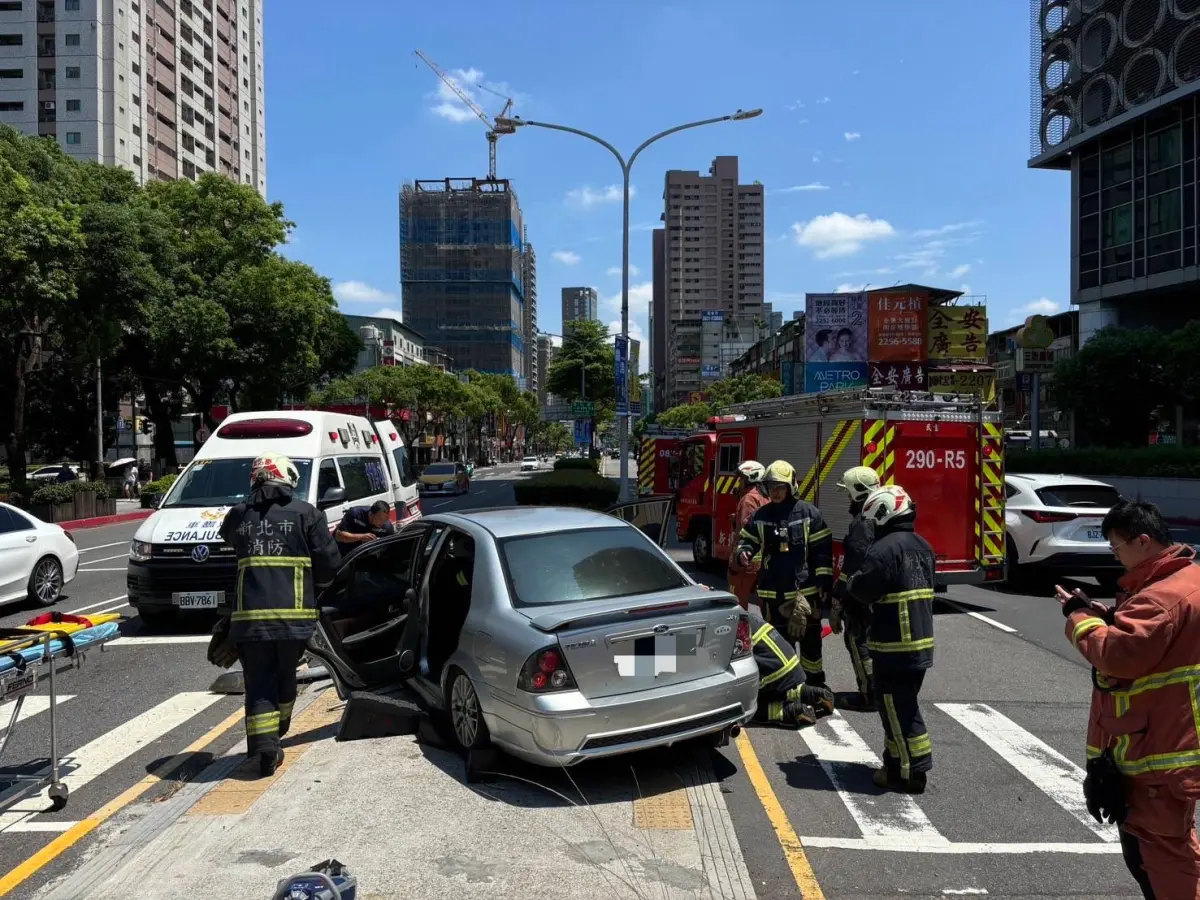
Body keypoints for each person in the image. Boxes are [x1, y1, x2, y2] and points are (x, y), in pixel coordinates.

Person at [1058, 500, 1200, 900]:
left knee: (1161, 858)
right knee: (1162, 852)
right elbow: (1151, 642)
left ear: (1142, 540)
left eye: (1116, 547)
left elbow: (1118, 657)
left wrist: (1078, 618)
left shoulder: (1160, 598)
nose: (1115, 557)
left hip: (1156, 756)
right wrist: (1105, 616)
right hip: (1171, 746)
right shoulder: (1186, 582)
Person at [219, 451, 340, 777]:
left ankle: (263, 752)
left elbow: (229, 541)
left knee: (259, 684)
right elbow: (329, 566)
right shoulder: (307, 515)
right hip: (294, 621)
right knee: (286, 678)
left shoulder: (239, 516)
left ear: (255, 478)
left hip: (249, 621)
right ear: (287, 478)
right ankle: (275, 735)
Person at [846, 484, 935, 794]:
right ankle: (894, 762)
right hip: (920, 645)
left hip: (893, 644)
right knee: (898, 707)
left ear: (883, 514)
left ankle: (910, 774)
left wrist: (851, 582)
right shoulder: (922, 545)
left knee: (899, 708)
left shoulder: (884, 549)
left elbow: (863, 589)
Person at [735, 460, 834, 689]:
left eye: (780, 486)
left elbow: (822, 552)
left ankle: (815, 687)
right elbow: (748, 539)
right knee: (780, 645)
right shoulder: (762, 515)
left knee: (810, 645)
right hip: (773, 594)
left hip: (805, 594)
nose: (775, 492)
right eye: (771, 487)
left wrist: (824, 584)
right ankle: (788, 687)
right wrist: (744, 552)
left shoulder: (809, 514)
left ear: (791, 486)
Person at [833, 465, 881, 712]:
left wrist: (839, 597)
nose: (847, 499)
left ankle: (868, 694)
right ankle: (874, 690)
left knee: (857, 641)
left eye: (848, 494)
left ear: (858, 493)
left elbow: (853, 565)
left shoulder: (862, 523)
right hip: (875, 596)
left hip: (860, 598)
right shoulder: (878, 517)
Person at [747, 608, 834, 727]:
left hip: (775, 672)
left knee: (747, 710)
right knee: (788, 690)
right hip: (789, 662)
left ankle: (793, 711)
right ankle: (815, 694)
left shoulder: (724, 626)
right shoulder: (742, 615)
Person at [727, 460, 768, 610]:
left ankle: (740, 632)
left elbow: (747, 529)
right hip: (760, 562)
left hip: (744, 563)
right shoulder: (763, 495)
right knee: (764, 603)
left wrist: (735, 564)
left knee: (736, 604)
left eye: (741, 478)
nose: (739, 482)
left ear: (751, 478)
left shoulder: (749, 499)